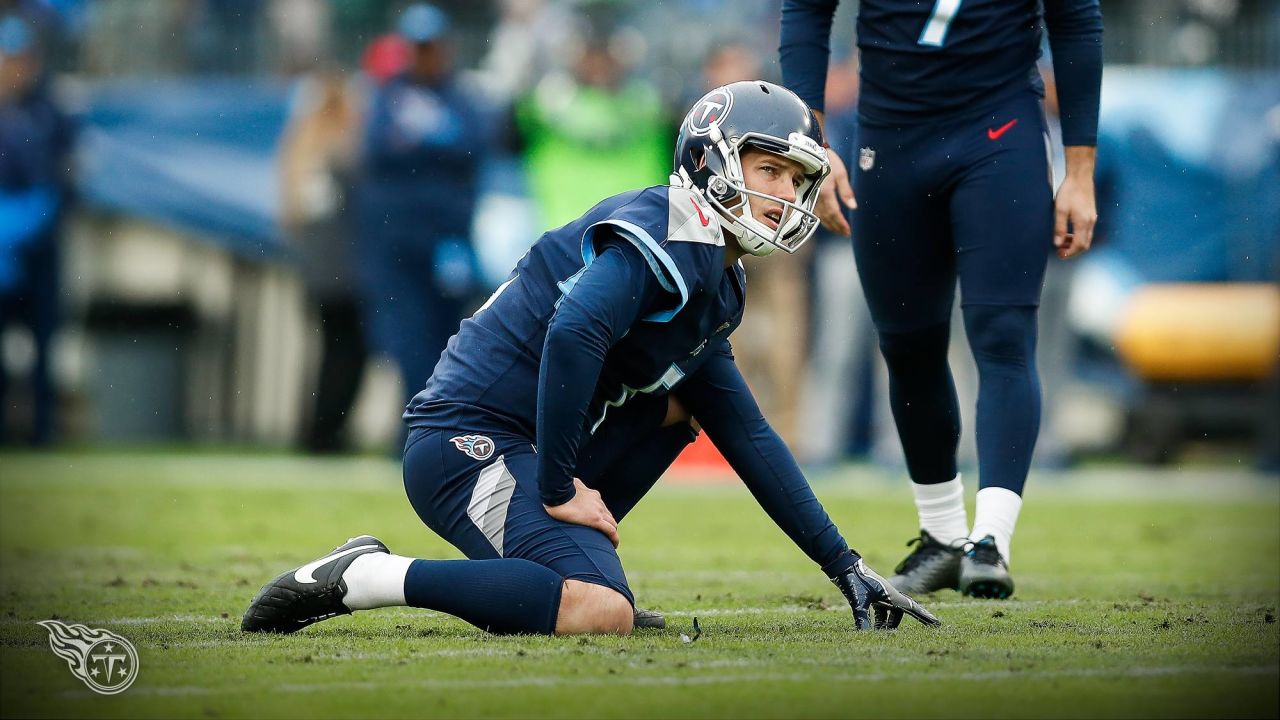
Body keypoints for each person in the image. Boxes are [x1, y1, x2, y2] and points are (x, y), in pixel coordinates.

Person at [241, 81, 939, 636]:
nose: (785, 194)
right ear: (709, 160)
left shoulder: (719, 277)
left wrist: (843, 563)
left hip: (527, 442)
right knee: (599, 609)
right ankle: (366, 576)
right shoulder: (664, 230)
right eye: (769, 170)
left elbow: (746, 430)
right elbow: (572, 331)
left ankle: (542, 573)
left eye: (794, 178)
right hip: (464, 441)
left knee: (683, 407)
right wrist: (557, 487)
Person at [780, 0, 1103, 599]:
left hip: (998, 133)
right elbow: (806, 11)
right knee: (907, 346)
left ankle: (991, 541)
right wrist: (813, 141)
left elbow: (1076, 19)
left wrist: (1080, 171)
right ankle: (943, 534)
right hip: (890, 139)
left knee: (1003, 335)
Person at [355, 3, 489, 415]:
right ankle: (415, 427)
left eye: (431, 46)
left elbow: (472, 145)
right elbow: (377, 151)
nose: (425, 54)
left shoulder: (460, 97)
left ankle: (435, 426)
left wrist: (416, 145)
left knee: (447, 337)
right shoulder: (388, 95)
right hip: (397, 239)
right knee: (406, 337)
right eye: (418, 46)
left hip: (446, 238)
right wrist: (437, 146)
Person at [278, 67, 367, 453]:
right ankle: (326, 431)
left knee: (330, 349)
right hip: (344, 270)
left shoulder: (299, 149)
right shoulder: (342, 150)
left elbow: (293, 217)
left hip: (317, 271)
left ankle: (317, 428)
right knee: (348, 352)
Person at [0, 13, 73, 446]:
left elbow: (65, 178)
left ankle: (42, 433)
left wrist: (33, 220)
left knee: (44, 343)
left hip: (39, 248)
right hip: (5, 248)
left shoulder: (50, 112)